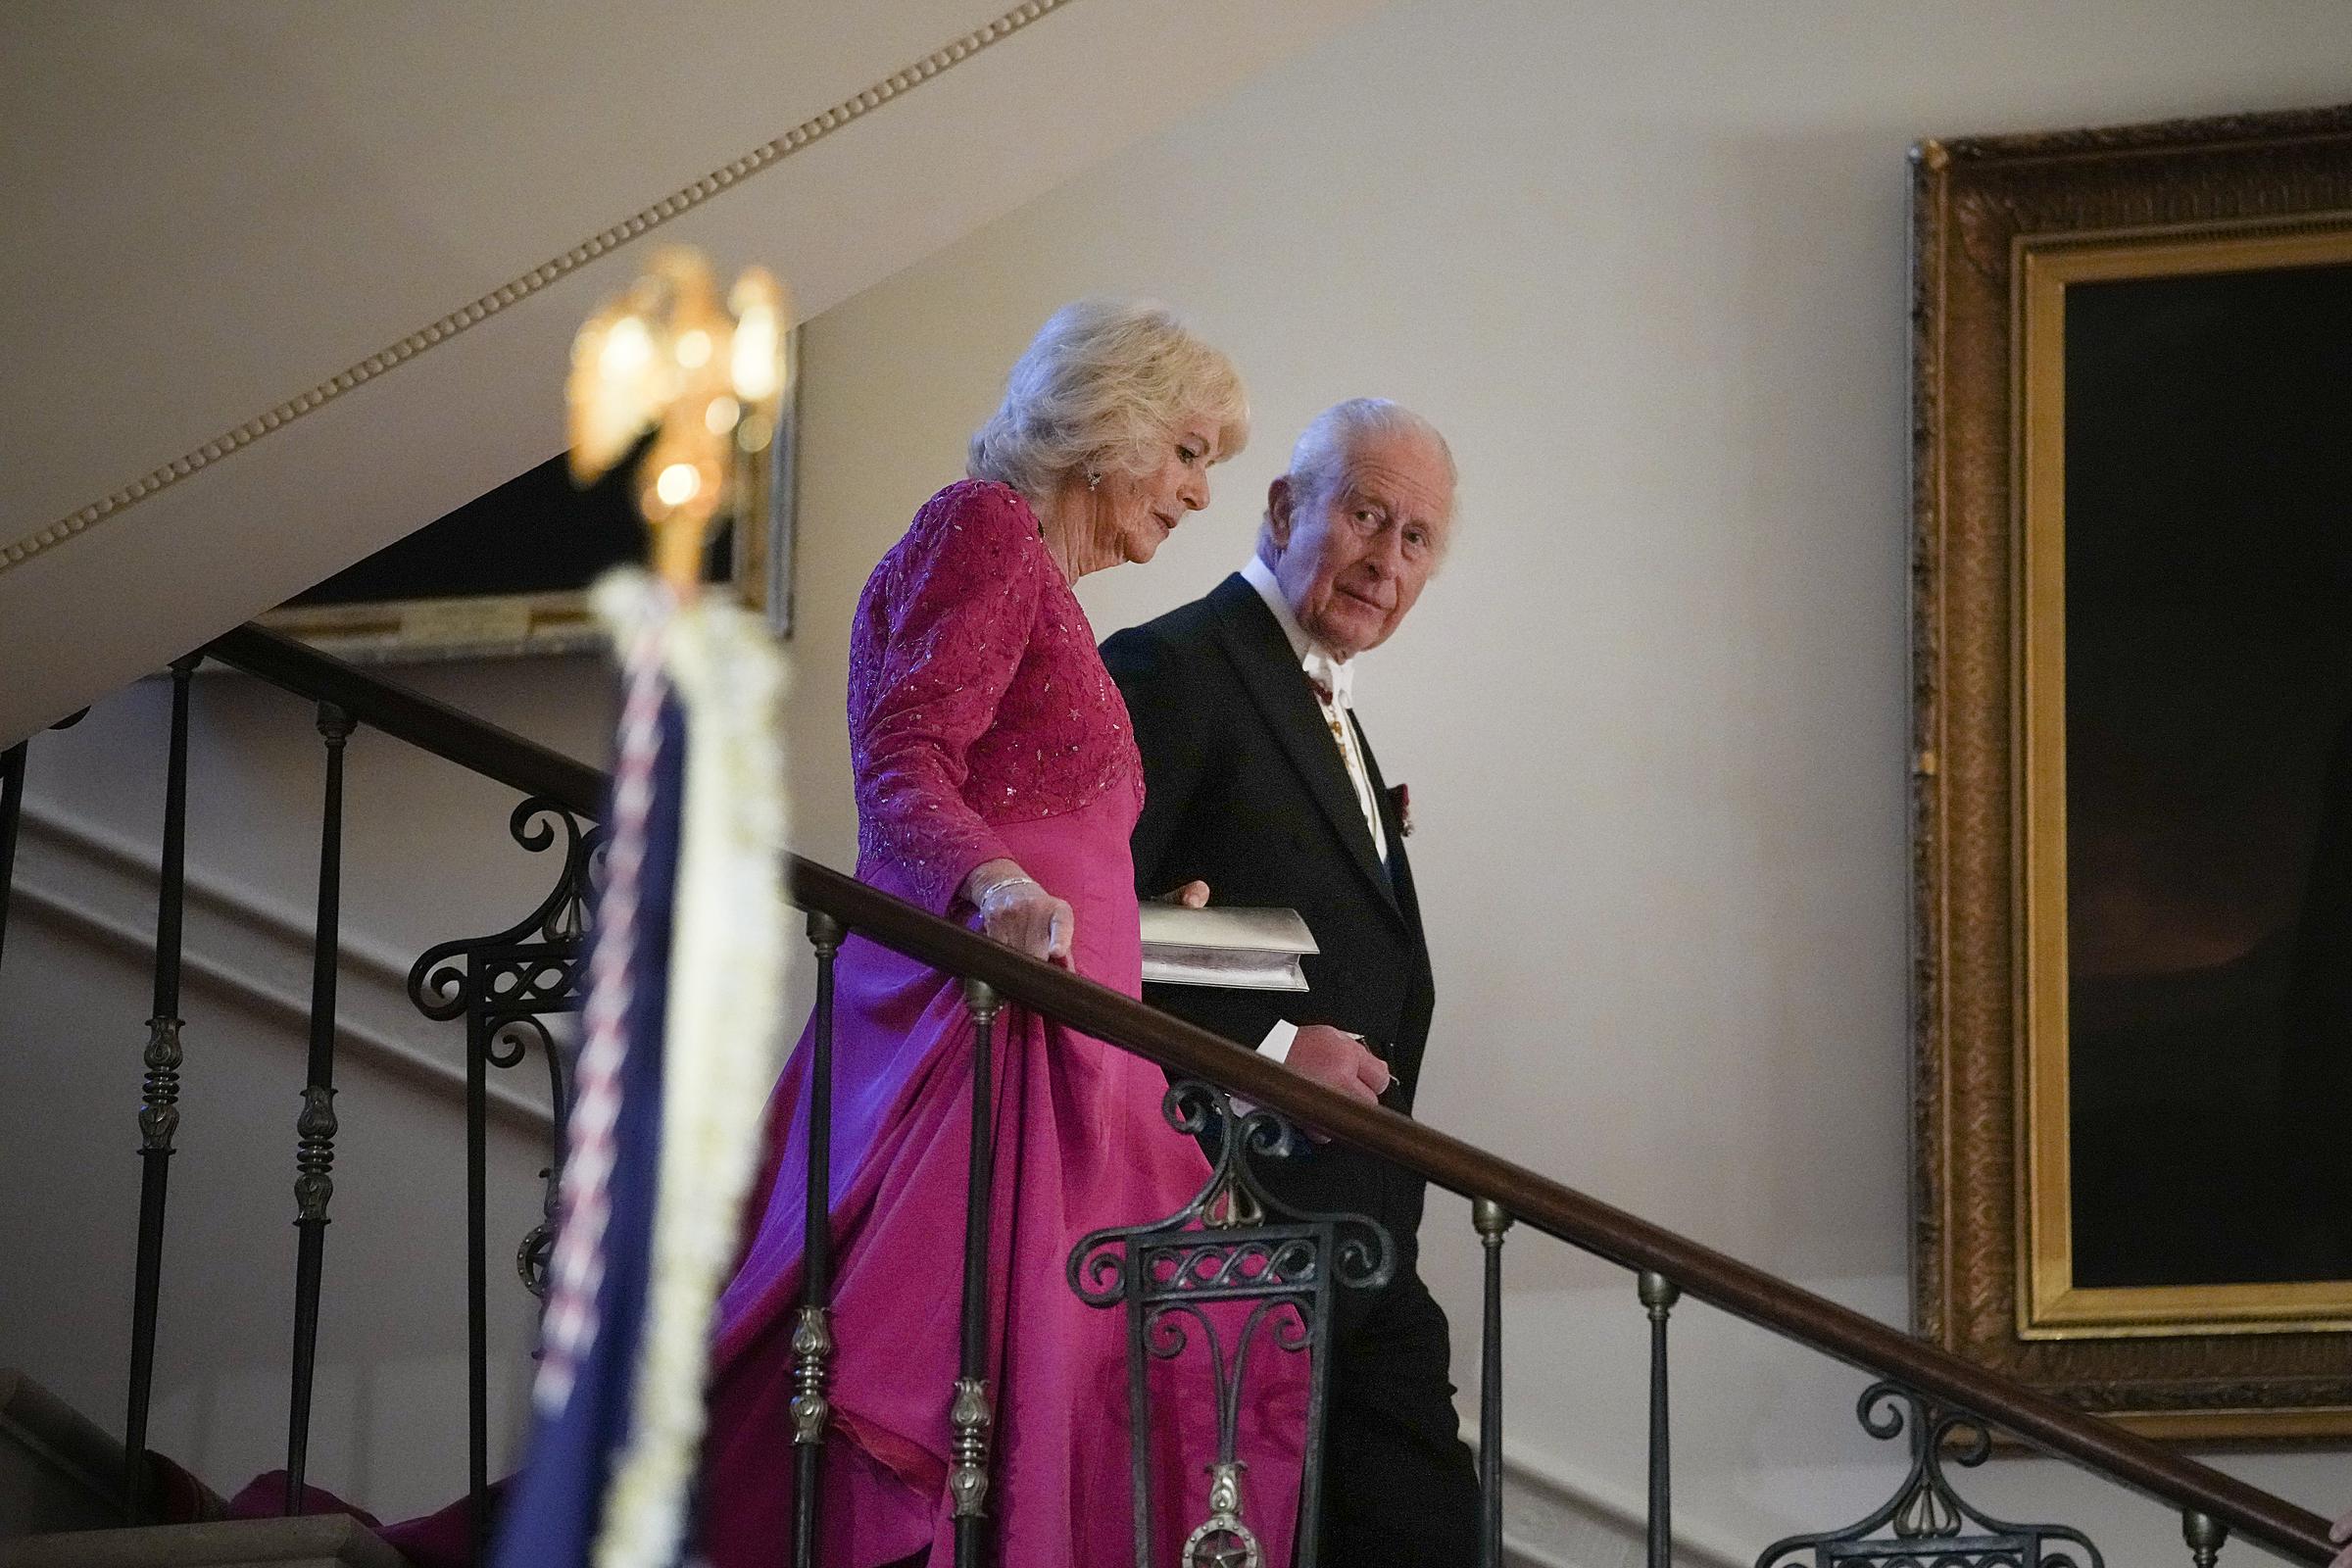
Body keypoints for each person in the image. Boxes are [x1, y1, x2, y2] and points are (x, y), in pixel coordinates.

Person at [697, 299, 1305, 1568]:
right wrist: (998, 892)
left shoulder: (1045, 587)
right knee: (980, 1396)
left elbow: (1028, 809)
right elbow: (907, 763)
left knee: (1146, 1368)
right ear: (1109, 426)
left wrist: (1126, 915)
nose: (1199, 494)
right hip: (988, 1051)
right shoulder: (979, 530)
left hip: (1070, 1044)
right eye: (1189, 452)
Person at [1102, 397, 1480, 1564]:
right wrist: (1269, 1056)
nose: (1386, 558)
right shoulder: (1170, 667)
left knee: (1426, 1527)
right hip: (1233, 1222)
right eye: (1366, 514)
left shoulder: (1329, 702)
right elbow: (1090, 937)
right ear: (1281, 508)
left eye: (1417, 539)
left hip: (1362, 1232)